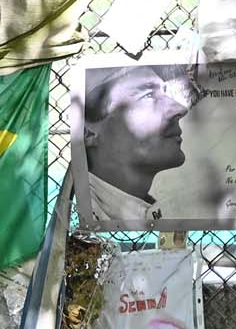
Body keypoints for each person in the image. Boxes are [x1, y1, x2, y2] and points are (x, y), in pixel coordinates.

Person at [81, 64, 193, 229]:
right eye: (148, 95)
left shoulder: (154, 211)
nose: (180, 109)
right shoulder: (75, 215)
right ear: (88, 132)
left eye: (165, 93)